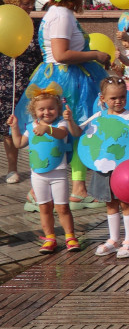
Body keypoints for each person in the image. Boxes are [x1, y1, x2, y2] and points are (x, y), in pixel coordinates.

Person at [19, 0, 111, 209]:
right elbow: (61, 54)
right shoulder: (62, 15)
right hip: (68, 78)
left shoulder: (53, 12)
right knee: (78, 127)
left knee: (57, 128)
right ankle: (77, 190)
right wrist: (96, 55)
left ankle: (38, 189)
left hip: (56, 75)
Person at [9, 84, 80, 254]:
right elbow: (18, 144)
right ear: (34, 111)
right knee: (44, 208)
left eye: (51, 108)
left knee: (62, 207)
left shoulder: (61, 123)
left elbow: (62, 134)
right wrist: (14, 127)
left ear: (58, 108)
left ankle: (70, 236)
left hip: (59, 173)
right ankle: (50, 238)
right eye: (42, 109)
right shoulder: (30, 127)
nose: (46, 112)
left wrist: (47, 128)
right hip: (38, 175)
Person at [82, 77, 129, 258]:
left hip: (124, 168)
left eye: (122, 97)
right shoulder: (99, 117)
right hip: (103, 167)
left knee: (126, 202)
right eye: (113, 98)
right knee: (110, 203)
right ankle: (114, 239)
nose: (119, 101)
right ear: (102, 99)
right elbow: (90, 140)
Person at [1, 0, 39, 185]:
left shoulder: (36, 26)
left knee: (35, 123)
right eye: (26, 3)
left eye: (31, 2)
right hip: (6, 84)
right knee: (9, 127)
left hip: (31, 83)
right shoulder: (3, 21)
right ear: (15, 4)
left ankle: (38, 165)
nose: (31, 6)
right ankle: (12, 168)